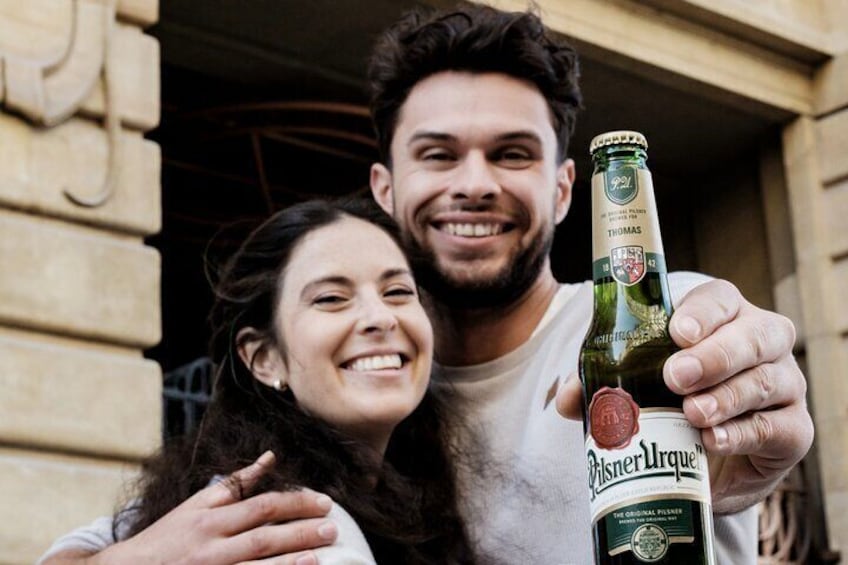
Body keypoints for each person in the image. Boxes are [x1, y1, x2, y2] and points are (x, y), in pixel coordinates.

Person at [43, 3, 815, 564]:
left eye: (512, 153)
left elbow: (723, 345)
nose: (474, 184)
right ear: (385, 186)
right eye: (439, 154)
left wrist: (749, 398)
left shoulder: (650, 325)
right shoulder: (350, 404)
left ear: (565, 189)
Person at [37, 198, 475, 565]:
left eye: (398, 292)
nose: (380, 317)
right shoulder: (293, 526)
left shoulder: (225, 491)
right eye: (331, 299)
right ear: (265, 359)